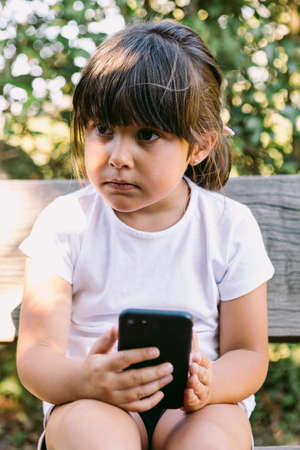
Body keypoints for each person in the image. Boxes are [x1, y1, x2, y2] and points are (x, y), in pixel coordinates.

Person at [16, 20, 274, 450]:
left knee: (212, 440)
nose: (118, 156)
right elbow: (35, 358)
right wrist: (88, 378)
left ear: (199, 146)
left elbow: (249, 355)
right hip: (93, 399)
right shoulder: (66, 223)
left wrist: (208, 385)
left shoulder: (230, 227)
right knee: (95, 436)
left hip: (199, 407)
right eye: (103, 130)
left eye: (147, 135)